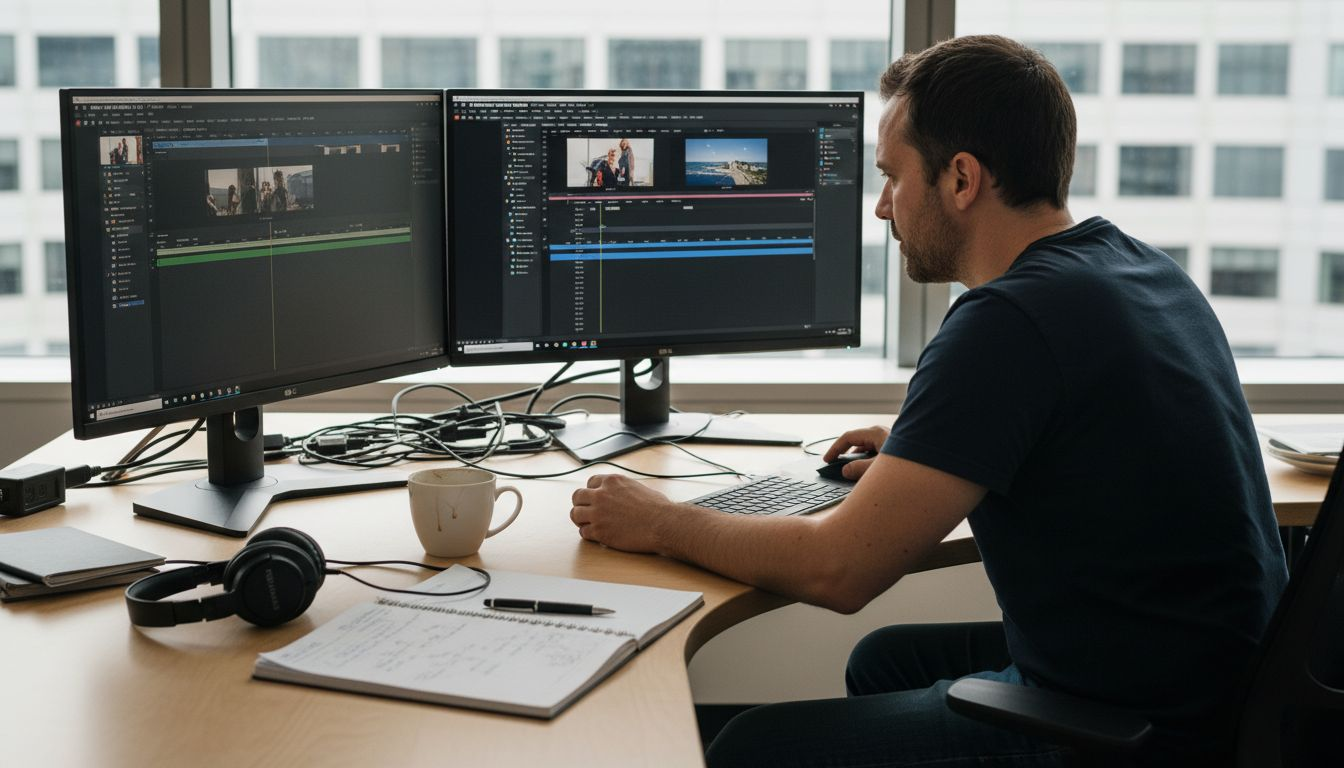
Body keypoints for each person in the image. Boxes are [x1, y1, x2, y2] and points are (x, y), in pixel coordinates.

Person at [568, 35, 1286, 768]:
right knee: (883, 662)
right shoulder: (1135, 266)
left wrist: (662, 522)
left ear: (962, 179)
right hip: (1231, 686)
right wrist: (932, 445)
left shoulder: (1008, 321)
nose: (881, 208)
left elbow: (838, 571)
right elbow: (1083, 434)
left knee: (754, 747)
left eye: (892, 178)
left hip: (1146, 732)